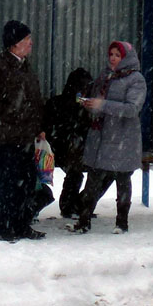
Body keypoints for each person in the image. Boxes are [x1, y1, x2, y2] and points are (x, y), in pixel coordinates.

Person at [0, 20, 47, 242]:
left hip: (27, 137)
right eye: (26, 39)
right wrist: (7, 113)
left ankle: (22, 224)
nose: (30, 43)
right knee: (8, 185)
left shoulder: (25, 66)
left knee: (26, 184)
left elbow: (33, 101)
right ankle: (5, 228)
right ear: (14, 43)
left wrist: (38, 127)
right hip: (8, 138)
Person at [68, 41, 147, 235]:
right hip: (101, 137)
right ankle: (84, 221)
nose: (112, 58)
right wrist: (84, 100)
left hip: (122, 138)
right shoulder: (105, 76)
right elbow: (95, 98)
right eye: (110, 54)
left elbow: (132, 109)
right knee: (92, 181)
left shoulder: (135, 79)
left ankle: (122, 223)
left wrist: (102, 105)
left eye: (117, 55)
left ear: (126, 58)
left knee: (122, 180)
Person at [43, 68, 93, 218]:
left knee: (80, 170)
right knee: (77, 170)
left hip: (64, 151)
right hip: (61, 150)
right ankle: (72, 204)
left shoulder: (62, 102)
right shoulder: (67, 104)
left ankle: (73, 204)